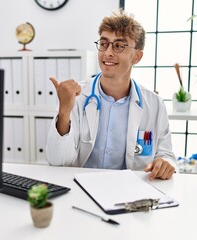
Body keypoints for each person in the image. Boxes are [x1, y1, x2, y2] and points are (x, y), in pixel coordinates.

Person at [46, 10, 176, 180]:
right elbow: (57, 162)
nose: (108, 53)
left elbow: (166, 155)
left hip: (130, 191)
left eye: (119, 46)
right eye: (103, 44)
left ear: (137, 56)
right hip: (82, 188)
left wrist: (164, 163)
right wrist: (64, 111)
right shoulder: (76, 96)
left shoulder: (154, 104)